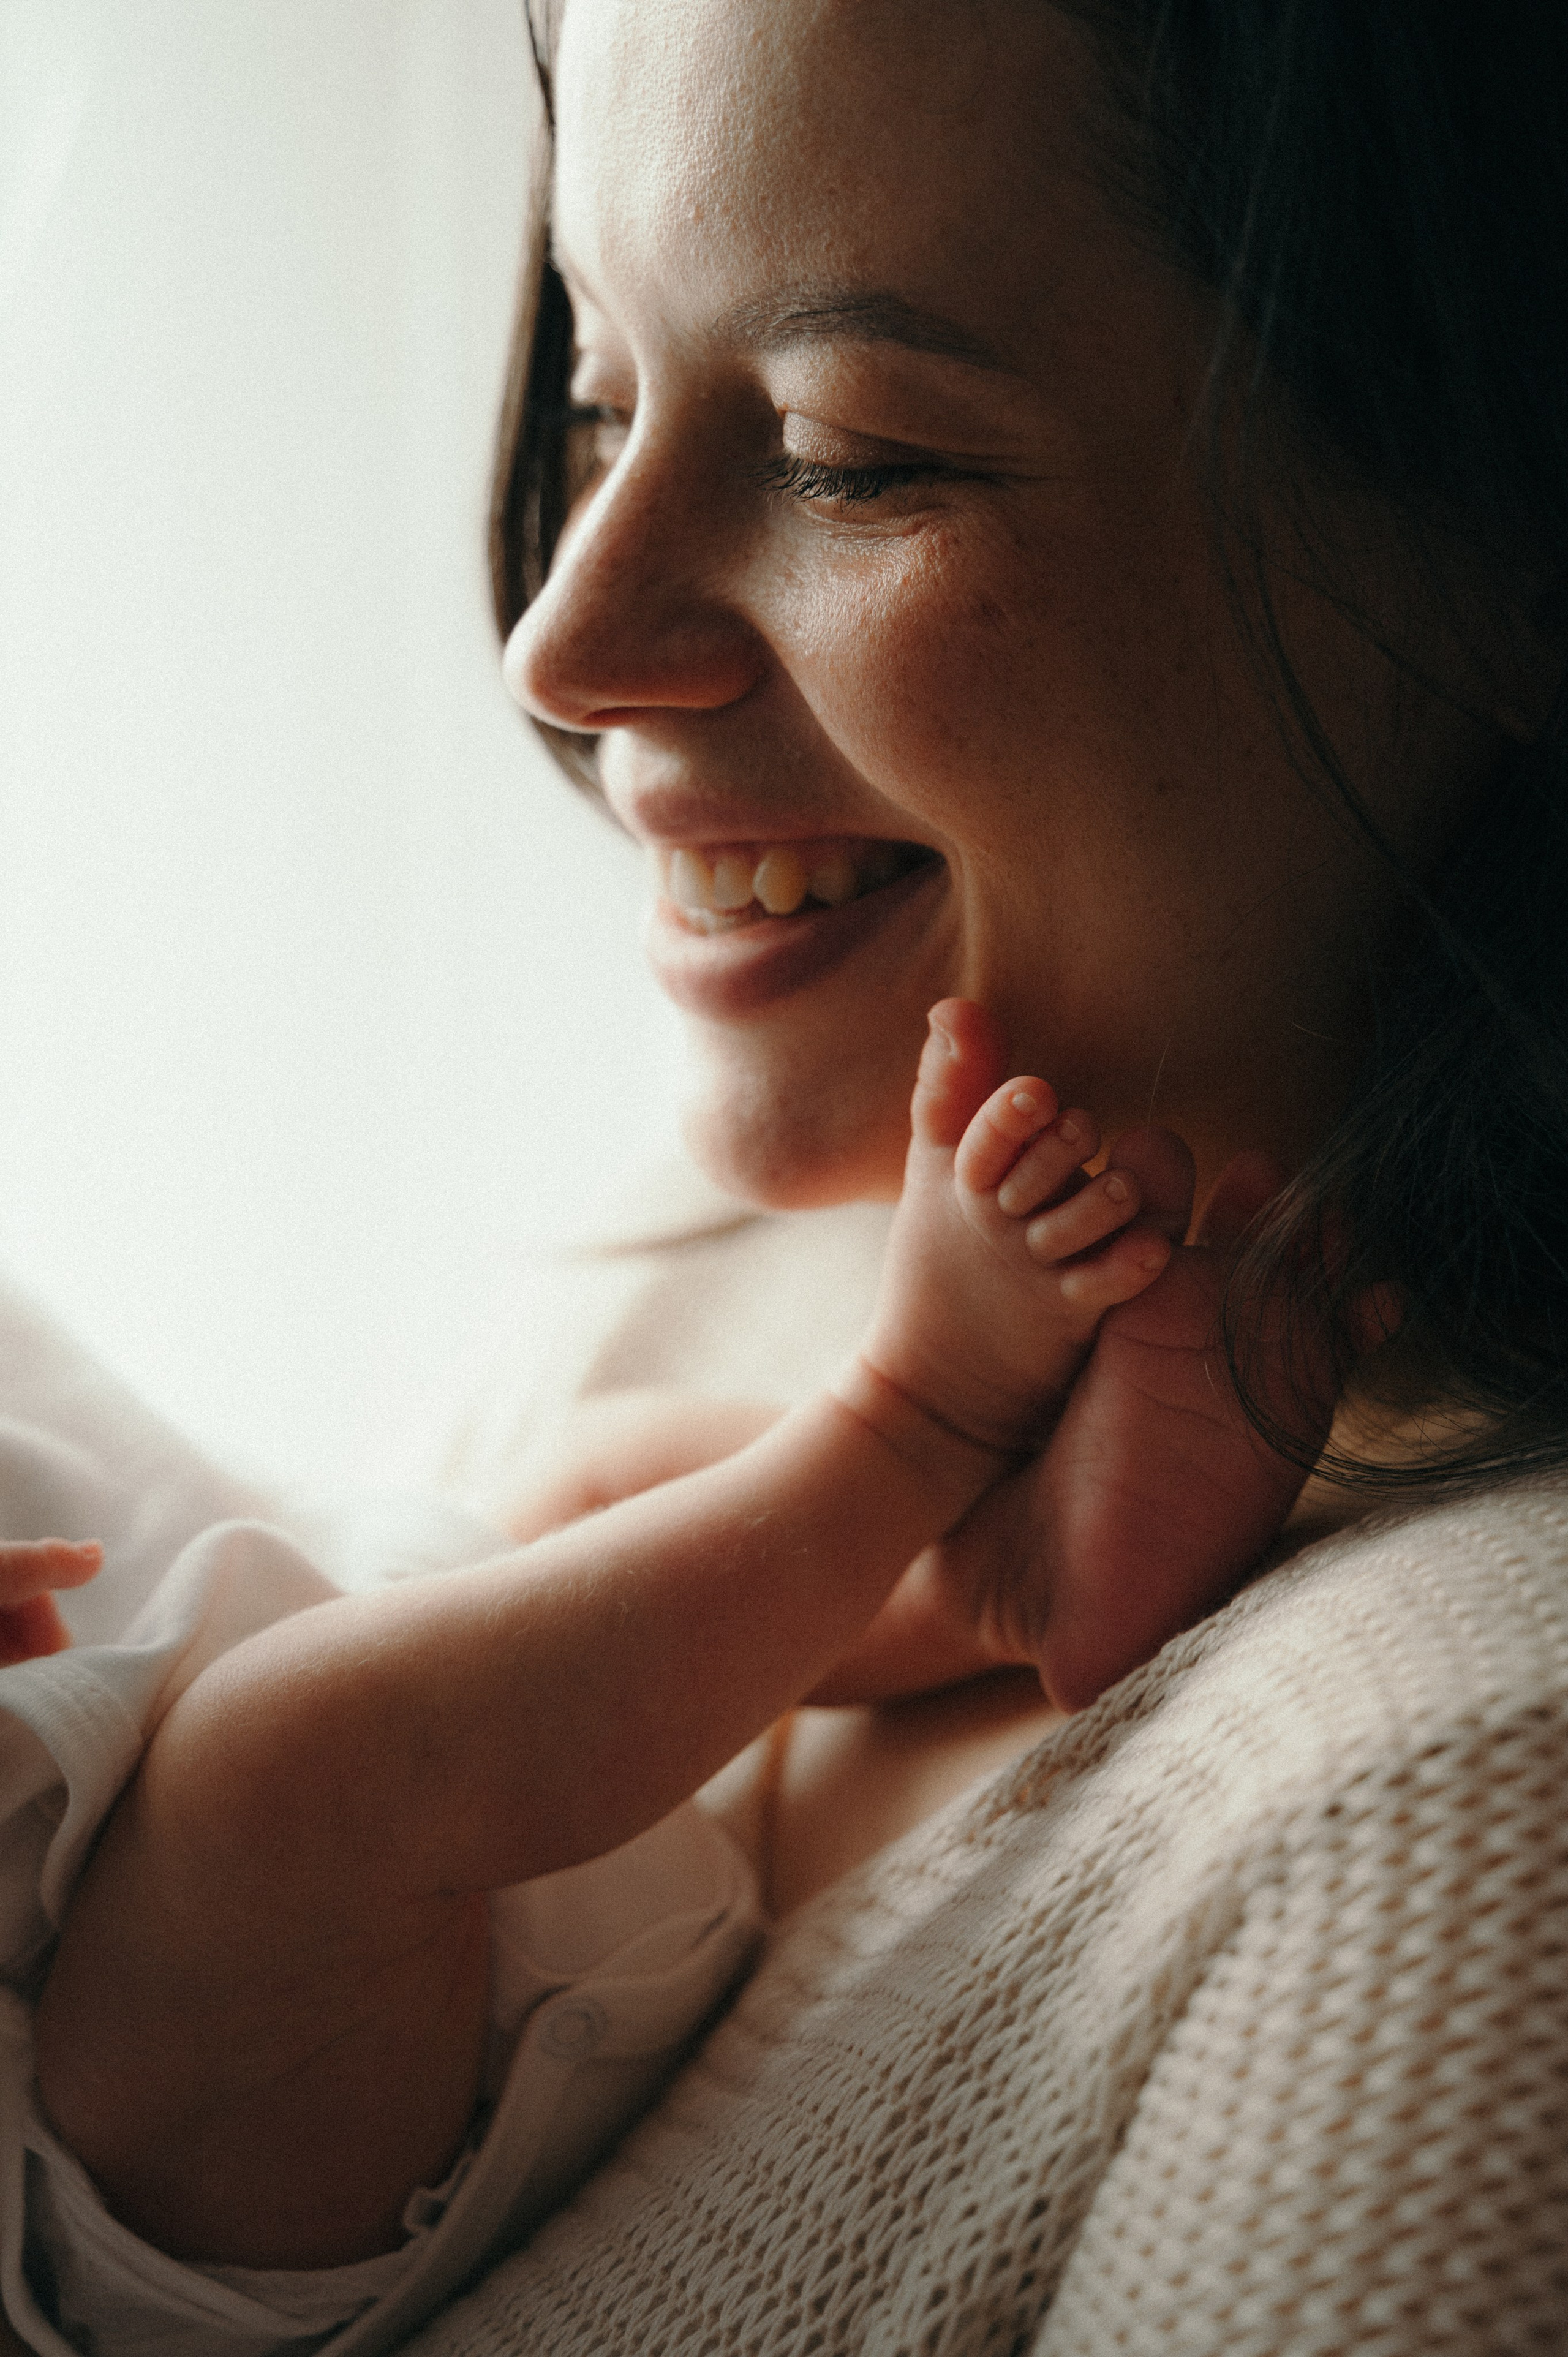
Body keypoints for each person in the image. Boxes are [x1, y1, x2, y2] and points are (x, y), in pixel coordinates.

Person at [13, 996, 1298, 2357]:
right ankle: (918, 1413)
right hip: (137, 2150)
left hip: (293, 1770)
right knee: (279, 1770)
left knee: (572, 1486)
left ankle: (996, 1579)